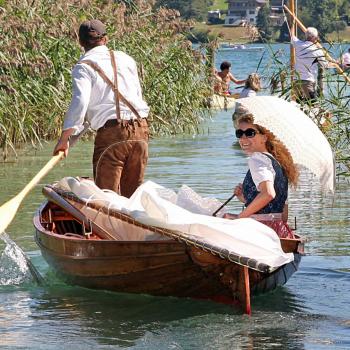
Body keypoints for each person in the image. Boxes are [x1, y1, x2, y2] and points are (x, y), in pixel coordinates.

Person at [53, 19, 150, 198]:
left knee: (106, 199)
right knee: (132, 199)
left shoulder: (83, 67)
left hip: (113, 136)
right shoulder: (127, 59)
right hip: (141, 131)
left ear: (80, 42)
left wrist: (64, 138)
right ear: (105, 39)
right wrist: (72, 137)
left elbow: (80, 102)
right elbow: (136, 94)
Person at [223, 112, 299, 239]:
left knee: (220, 218)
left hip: (259, 232)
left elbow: (268, 194)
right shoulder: (279, 163)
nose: (243, 138)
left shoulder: (256, 159)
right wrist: (245, 197)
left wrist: (239, 218)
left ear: (264, 137)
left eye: (250, 133)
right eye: (239, 134)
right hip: (279, 230)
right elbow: (282, 213)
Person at [291, 27, 333, 102]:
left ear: (306, 36)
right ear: (315, 38)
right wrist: (334, 63)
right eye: (317, 37)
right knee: (313, 107)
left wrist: (293, 23)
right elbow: (325, 65)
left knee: (299, 107)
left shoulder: (298, 44)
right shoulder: (317, 51)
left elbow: (292, 36)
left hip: (297, 82)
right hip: (308, 82)